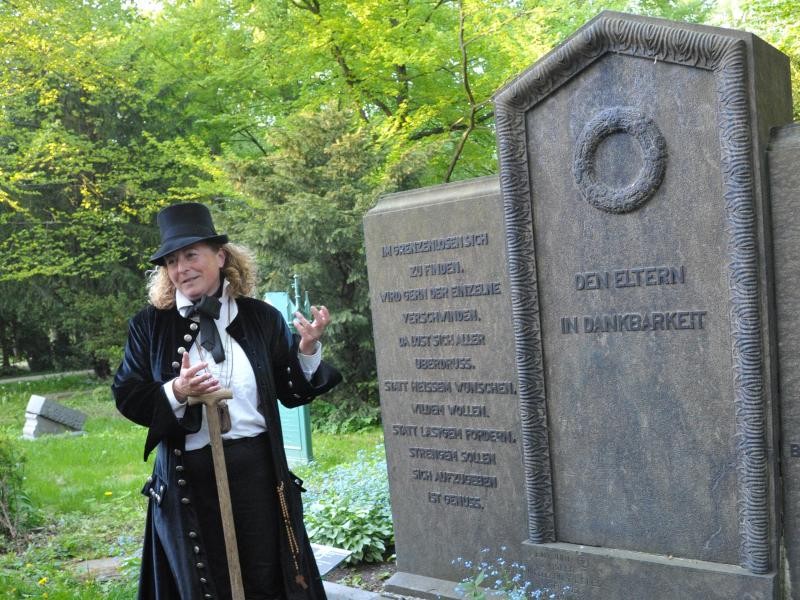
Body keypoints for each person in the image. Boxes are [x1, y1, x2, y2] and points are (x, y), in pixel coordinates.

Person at [112, 202, 341, 600]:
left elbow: (291, 391)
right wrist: (177, 391)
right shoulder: (149, 325)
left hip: (258, 475)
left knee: (267, 579)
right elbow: (127, 393)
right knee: (203, 584)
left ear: (220, 256)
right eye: (171, 260)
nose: (181, 268)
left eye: (190, 255)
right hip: (188, 481)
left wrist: (306, 348)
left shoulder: (261, 318)